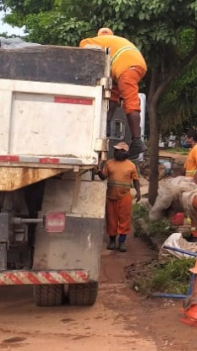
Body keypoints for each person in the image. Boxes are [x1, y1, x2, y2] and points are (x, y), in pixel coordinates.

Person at [80, 28, 147, 158]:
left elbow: (84, 57)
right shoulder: (116, 42)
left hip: (126, 67)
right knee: (112, 100)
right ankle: (104, 128)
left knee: (130, 101)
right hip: (131, 66)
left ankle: (137, 141)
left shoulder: (90, 41)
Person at [98, 142, 140, 252]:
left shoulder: (131, 165)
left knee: (124, 220)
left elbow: (135, 180)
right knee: (111, 220)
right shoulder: (109, 163)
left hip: (124, 197)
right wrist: (98, 171)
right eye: (115, 150)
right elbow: (103, 177)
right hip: (111, 196)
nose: (115, 152)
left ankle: (122, 243)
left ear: (124, 152)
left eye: (118, 150)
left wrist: (138, 192)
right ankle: (112, 241)